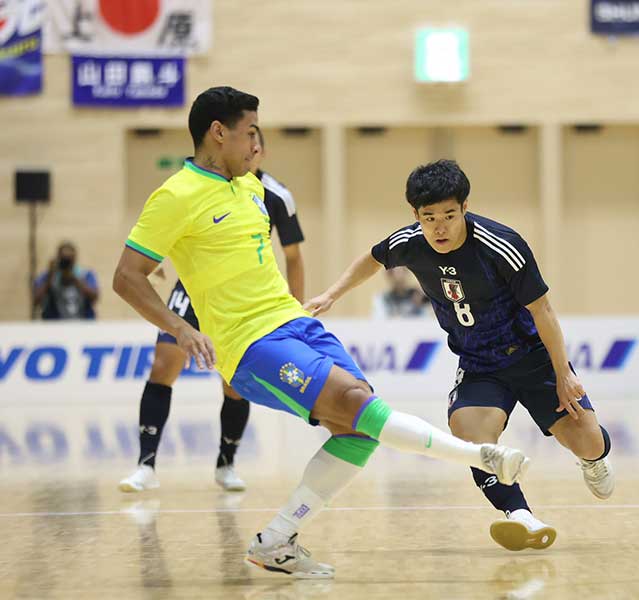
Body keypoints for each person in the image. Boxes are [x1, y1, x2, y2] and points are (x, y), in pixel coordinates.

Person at [113, 86, 528, 579]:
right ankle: (481, 456)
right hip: (248, 344)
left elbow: (283, 258)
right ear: (217, 133)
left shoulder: (252, 187)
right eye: (249, 134)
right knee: (358, 405)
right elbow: (126, 276)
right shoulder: (175, 195)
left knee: (357, 431)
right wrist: (181, 329)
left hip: (295, 324)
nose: (256, 145)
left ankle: (277, 538)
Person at [306, 159, 614, 552]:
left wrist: (563, 374)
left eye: (449, 215)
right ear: (415, 215)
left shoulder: (500, 245)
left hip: (533, 356)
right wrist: (331, 294)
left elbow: (543, 311)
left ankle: (594, 457)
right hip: (479, 364)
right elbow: (373, 258)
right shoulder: (410, 242)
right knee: (469, 435)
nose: (439, 227)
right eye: (428, 217)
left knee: (586, 441)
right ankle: (519, 515)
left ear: (465, 208)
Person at [119, 127, 307, 494]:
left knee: (234, 383)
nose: (250, 151)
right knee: (162, 367)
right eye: (245, 143)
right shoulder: (194, 187)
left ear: (262, 154)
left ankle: (226, 463)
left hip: (242, 302)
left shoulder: (275, 195)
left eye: (256, 146)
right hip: (190, 292)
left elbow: (294, 257)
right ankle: (145, 465)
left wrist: (296, 313)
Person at [32, 241, 99, 319]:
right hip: (54, 325)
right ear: (58, 258)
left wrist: (76, 280)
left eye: (69, 260)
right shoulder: (48, 276)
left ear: (75, 258)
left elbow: (95, 297)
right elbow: (36, 301)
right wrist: (50, 278)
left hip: (83, 323)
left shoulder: (85, 275)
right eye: (64, 260)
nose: (66, 263)